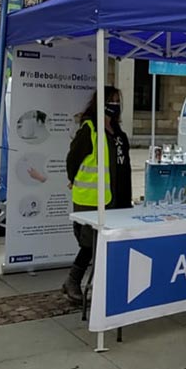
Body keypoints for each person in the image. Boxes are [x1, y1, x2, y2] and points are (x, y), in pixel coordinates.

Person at [62, 86, 133, 306]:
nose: (115, 105)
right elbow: (72, 159)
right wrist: (72, 179)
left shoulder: (118, 131)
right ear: (100, 103)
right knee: (89, 244)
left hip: (117, 196)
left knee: (107, 244)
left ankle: (103, 286)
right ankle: (72, 280)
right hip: (91, 199)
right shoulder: (89, 129)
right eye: (111, 101)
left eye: (117, 101)